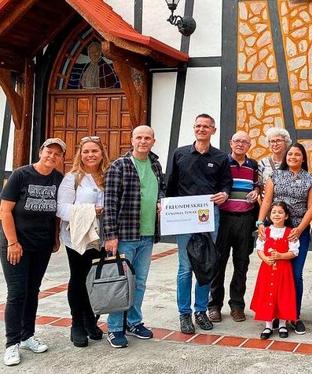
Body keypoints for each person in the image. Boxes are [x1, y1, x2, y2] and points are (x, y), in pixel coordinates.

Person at [165, 114, 233, 334]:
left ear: (213, 130)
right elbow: (171, 185)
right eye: (198, 126)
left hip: (209, 215)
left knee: (206, 264)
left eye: (206, 126)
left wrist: (224, 193)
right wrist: (167, 210)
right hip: (184, 216)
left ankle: (200, 311)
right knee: (185, 268)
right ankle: (184, 314)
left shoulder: (221, 157)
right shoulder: (180, 153)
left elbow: (226, 183)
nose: (201, 129)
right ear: (194, 129)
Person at [1, 138, 65, 367]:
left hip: (42, 245)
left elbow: (57, 213)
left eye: (58, 154)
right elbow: (5, 210)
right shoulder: (21, 175)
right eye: (49, 151)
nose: (53, 156)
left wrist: (55, 238)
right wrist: (12, 242)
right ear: (41, 152)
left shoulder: (59, 179)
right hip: (17, 245)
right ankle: (11, 344)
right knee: (17, 293)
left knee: (33, 290)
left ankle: (27, 336)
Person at [103, 125, 164, 348]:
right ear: (132, 140)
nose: (143, 141)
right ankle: (115, 327)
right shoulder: (118, 166)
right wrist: (110, 236)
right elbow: (109, 204)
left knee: (139, 283)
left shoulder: (155, 164)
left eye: (147, 137)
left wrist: (161, 202)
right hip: (125, 236)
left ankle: (134, 322)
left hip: (147, 235)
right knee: (121, 283)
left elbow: (161, 189)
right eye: (139, 137)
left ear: (153, 141)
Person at [257, 142, 312, 335]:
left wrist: (300, 229)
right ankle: (274, 313)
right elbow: (267, 200)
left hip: (296, 231)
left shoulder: (311, 179)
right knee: (273, 272)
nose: (293, 157)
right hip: (274, 228)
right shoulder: (275, 175)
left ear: (303, 158)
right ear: (286, 157)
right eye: (290, 154)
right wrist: (260, 223)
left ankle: (293, 315)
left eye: (297, 155)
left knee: (294, 275)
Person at [56, 136, 110, 348]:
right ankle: (76, 323)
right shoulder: (73, 178)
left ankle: (91, 319)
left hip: (103, 238)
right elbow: (61, 208)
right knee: (79, 279)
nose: (90, 155)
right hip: (79, 238)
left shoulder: (107, 176)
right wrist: (90, 211)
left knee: (95, 279)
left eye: (94, 151)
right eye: (86, 151)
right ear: (80, 154)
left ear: (102, 153)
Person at [209, 131, 260, 323]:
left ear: (249, 145)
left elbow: (257, 185)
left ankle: (237, 305)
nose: (240, 144)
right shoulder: (222, 162)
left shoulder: (253, 165)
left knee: (241, 263)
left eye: (244, 142)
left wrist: (256, 190)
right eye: (237, 141)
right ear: (231, 143)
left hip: (245, 219)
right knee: (218, 263)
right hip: (223, 218)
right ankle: (214, 305)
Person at [250, 201, 298, 340]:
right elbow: (259, 248)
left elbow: (294, 252)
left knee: (282, 295)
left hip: (284, 271)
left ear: (286, 216)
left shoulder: (290, 233)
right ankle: (268, 325)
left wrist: (282, 256)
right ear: (269, 215)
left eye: (280, 212)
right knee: (267, 294)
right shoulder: (265, 231)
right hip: (267, 269)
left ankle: (282, 324)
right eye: (274, 212)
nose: (277, 215)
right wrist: (265, 258)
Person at [258, 127, 292, 198]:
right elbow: (260, 186)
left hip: (289, 205)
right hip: (269, 206)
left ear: (286, 142)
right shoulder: (262, 163)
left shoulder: (292, 162)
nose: (275, 144)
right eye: (272, 141)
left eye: (278, 140)